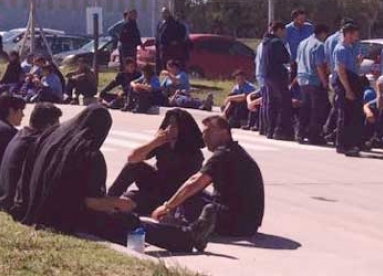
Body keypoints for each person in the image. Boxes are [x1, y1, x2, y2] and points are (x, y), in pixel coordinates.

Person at [15, 106, 137, 245]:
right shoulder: (89, 153)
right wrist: (119, 203)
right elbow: (92, 202)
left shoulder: (50, 139)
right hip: (62, 219)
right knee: (128, 222)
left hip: (34, 209)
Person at [148, 115, 265, 252]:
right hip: (247, 222)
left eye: (208, 131)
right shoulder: (233, 150)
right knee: (189, 194)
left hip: (238, 223)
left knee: (189, 197)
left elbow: (194, 182)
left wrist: (167, 207)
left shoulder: (223, 154)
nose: (204, 136)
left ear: (224, 133)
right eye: (203, 132)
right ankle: (184, 220)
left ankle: (187, 228)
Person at [108, 109, 204, 216]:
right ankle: (108, 199)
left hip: (171, 196)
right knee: (134, 166)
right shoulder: (162, 144)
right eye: (168, 124)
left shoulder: (193, 153)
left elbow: (187, 186)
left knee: (128, 200)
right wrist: (154, 143)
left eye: (174, 125)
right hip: (156, 185)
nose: (169, 128)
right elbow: (132, 158)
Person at [0, 102, 63, 217]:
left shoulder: (22, 135)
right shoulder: (36, 144)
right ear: (48, 126)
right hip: (18, 207)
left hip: (6, 199)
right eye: (56, 127)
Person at [332, 23, 366, 156]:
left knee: (353, 114)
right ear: (347, 34)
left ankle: (352, 142)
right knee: (345, 115)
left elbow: (352, 67)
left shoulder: (350, 49)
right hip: (345, 83)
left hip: (353, 79)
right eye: (354, 35)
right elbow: (341, 71)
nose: (356, 37)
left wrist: (358, 62)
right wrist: (348, 90)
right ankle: (343, 144)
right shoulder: (340, 49)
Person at [295, 24, 330, 144]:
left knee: (305, 107)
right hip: (314, 80)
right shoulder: (319, 45)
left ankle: (300, 133)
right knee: (317, 110)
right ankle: (314, 135)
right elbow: (319, 65)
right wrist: (325, 82)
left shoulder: (303, 43)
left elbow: (297, 61)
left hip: (302, 79)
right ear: (323, 33)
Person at [262, 22, 294, 140]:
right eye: (283, 31)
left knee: (271, 103)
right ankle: (280, 130)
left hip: (268, 76)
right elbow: (286, 58)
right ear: (279, 30)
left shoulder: (265, 42)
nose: (284, 33)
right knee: (284, 103)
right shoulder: (277, 43)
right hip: (278, 75)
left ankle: (270, 130)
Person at [284, 9, 313, 82]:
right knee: (294, 83)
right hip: (295, 61)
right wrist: (288, 59)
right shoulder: (287, 29)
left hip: (308, 61)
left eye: (304, 19)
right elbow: (283, 45)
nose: (303, 21)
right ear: (295, 19)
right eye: (300, 19)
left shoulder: (309, 27)